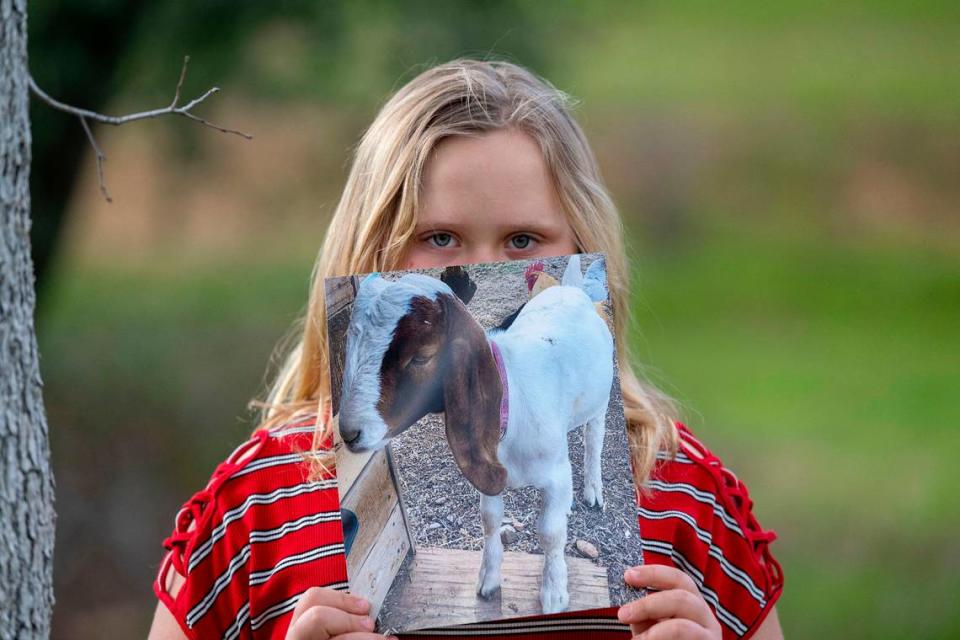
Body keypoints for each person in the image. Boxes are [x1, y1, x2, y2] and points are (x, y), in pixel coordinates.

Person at [148, 58, 784, 640]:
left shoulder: (681, 493)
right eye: (441, 237)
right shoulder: (261, 504)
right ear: (370, 253)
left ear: (583, 247)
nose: (481, 276)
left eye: (523, 240)